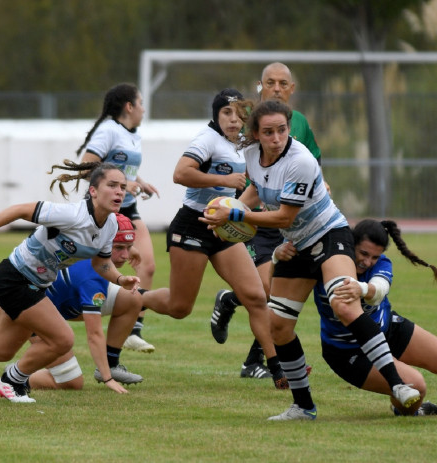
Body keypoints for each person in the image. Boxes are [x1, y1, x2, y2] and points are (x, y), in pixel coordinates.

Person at [201, 99, 421, 421]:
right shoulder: (250, 155)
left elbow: (283, 217)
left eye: (282, 130)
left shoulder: (301, 160)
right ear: (256, 134)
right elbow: (256, 192)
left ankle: (398, 384)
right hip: (297, 245)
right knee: (277, 327)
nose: (276, 138)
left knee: (344, 304)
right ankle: (303, 407)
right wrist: (228, 219)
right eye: (268, 132)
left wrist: (233, 213)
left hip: (329, 235)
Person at [0, 162, 141, 403]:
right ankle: (12, 381)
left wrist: (119, 278)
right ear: (94, 191)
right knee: (63, 339)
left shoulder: (110, 226)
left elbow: (101, 263)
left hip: (35, 285)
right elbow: (19, 210)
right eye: (112, 185)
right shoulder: (72, 215)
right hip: (14, 278)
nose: (119, 191)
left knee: (0, 349)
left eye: (123, 187)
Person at [277, 219, 437, 416]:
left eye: (374, 256)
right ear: (349, 243)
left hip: (387, 329)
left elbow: (379, 291)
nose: (367, 261)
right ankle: (407, 409)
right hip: (347, 353)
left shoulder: (381, 264)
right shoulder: (326, 264)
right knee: (417, 387)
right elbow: (280, 291)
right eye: (363, 253)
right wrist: (279, 253)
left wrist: (362, 289)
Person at [162, 88, 285, 387]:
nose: (233, 119)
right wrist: (222, 180)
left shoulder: (243, 145)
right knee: (180, 308)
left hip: (223, 226)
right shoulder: (207, 140)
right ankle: (136, 300)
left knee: (256, 297)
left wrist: (240, 210)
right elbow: (180, 174)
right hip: (193, 224)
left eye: (238, 114)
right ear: (215, 116)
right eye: (226, 113)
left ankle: (278, 370)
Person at [211, 62, 322, 381]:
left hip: (289, 221)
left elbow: (313, 162)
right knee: (265, 291)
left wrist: (321, 184)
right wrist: (229, 207)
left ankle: (246, 341)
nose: (276, 88)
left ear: (291, 89)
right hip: (254, 218)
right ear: (260, 86)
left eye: (282, 83)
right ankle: (278, 365)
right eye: (269, 82)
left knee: (280, 297)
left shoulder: (299, 122)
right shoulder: (250, 124)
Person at [28, 213, 169, 393]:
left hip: (62, 306)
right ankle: (17, 376)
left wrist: (125, 247)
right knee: (71, 383)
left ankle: (112, 363)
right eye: (119, 247)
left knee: (133, 298)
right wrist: (107, 378)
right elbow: (94, 333)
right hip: (36, 318)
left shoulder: (93, 248)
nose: (125, 255)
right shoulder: (93, 278)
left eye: (129, 247)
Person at [77, 82, 158, 353]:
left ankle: (133, 330)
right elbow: (88, 166)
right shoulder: (109, 130)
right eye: (141, 103)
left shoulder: (134, 135)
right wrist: (120, 184)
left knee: (146, 266)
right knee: (96, 268)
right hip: (107, 210)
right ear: (129, 106)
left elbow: (126, 171)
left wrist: (139, 182)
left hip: (130, 209)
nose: (144, 110)